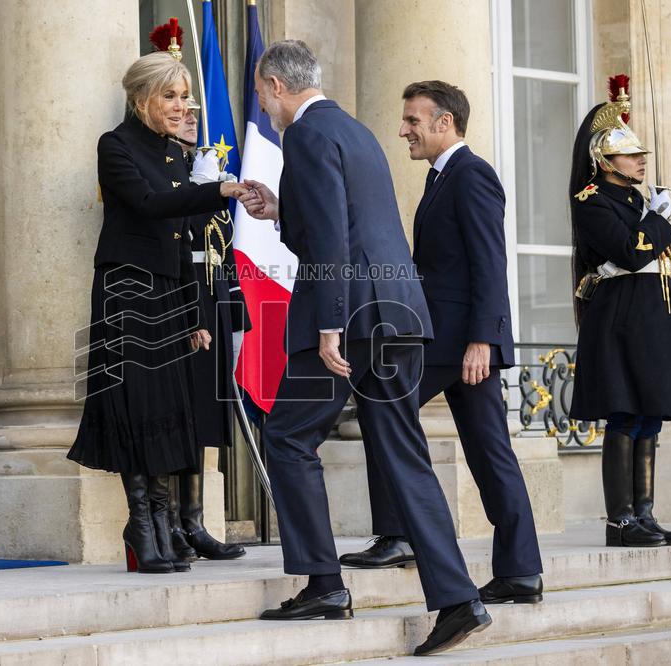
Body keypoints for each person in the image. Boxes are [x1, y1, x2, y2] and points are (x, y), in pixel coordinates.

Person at [238, 40, 491, 657]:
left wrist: (327, 326)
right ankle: (460, 600)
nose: (263, 104)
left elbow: (330, 237)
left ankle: (324, 584)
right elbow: (346, 221)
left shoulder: (302, 134)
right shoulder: (353, 131)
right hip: (397, 311)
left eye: (261, 92)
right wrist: (278, 210)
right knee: (403, 454)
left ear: (273, 84)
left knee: (288, 436)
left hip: (351, 316)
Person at [339, 80, 544, 606]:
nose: (403, 129)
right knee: (489, 449)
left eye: (412, 120)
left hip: (456, 343)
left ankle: (398, 534)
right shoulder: (441, 178)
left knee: (380, 400)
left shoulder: (471, 175)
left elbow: (489, 263)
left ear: (443, 122)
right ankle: (521, 572)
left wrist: (482, 340)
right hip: (448, 339)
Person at [67, 52, 244, 574]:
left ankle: (163, 525)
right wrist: (219, 189)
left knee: (168, 407)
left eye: (184, 96)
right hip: (127, 289)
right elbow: (147, 204)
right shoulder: (115, 145)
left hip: (171, 292)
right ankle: (140, 525)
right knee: (136, 405)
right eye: (170, 96)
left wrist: (197, 315)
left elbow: (184, 237)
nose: (180, 105)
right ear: (141, 98)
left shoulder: (174, 154)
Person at [568, 75, 671, 548]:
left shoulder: (637, 200)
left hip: (652, 319)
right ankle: (619, 519)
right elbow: (631, 252)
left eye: (641, 154)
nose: (642, 161)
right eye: (631, 155)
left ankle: (644, 513)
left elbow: (663, 266)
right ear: (606, 161)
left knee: (650, 415)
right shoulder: (593, 202)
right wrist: (661, 220)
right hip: (622, 320)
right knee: (624, 415)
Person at [166, 100, 247, 561]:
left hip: (211, 297)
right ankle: (170, 522)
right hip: (177, 298)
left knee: (200, 415)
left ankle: (193, 521)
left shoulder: (204, 167)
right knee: (175, 414)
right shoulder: (170, 172)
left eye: (196, 109)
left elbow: (223, 246)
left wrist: (234, 311)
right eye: (180, 108)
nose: (192, 116)